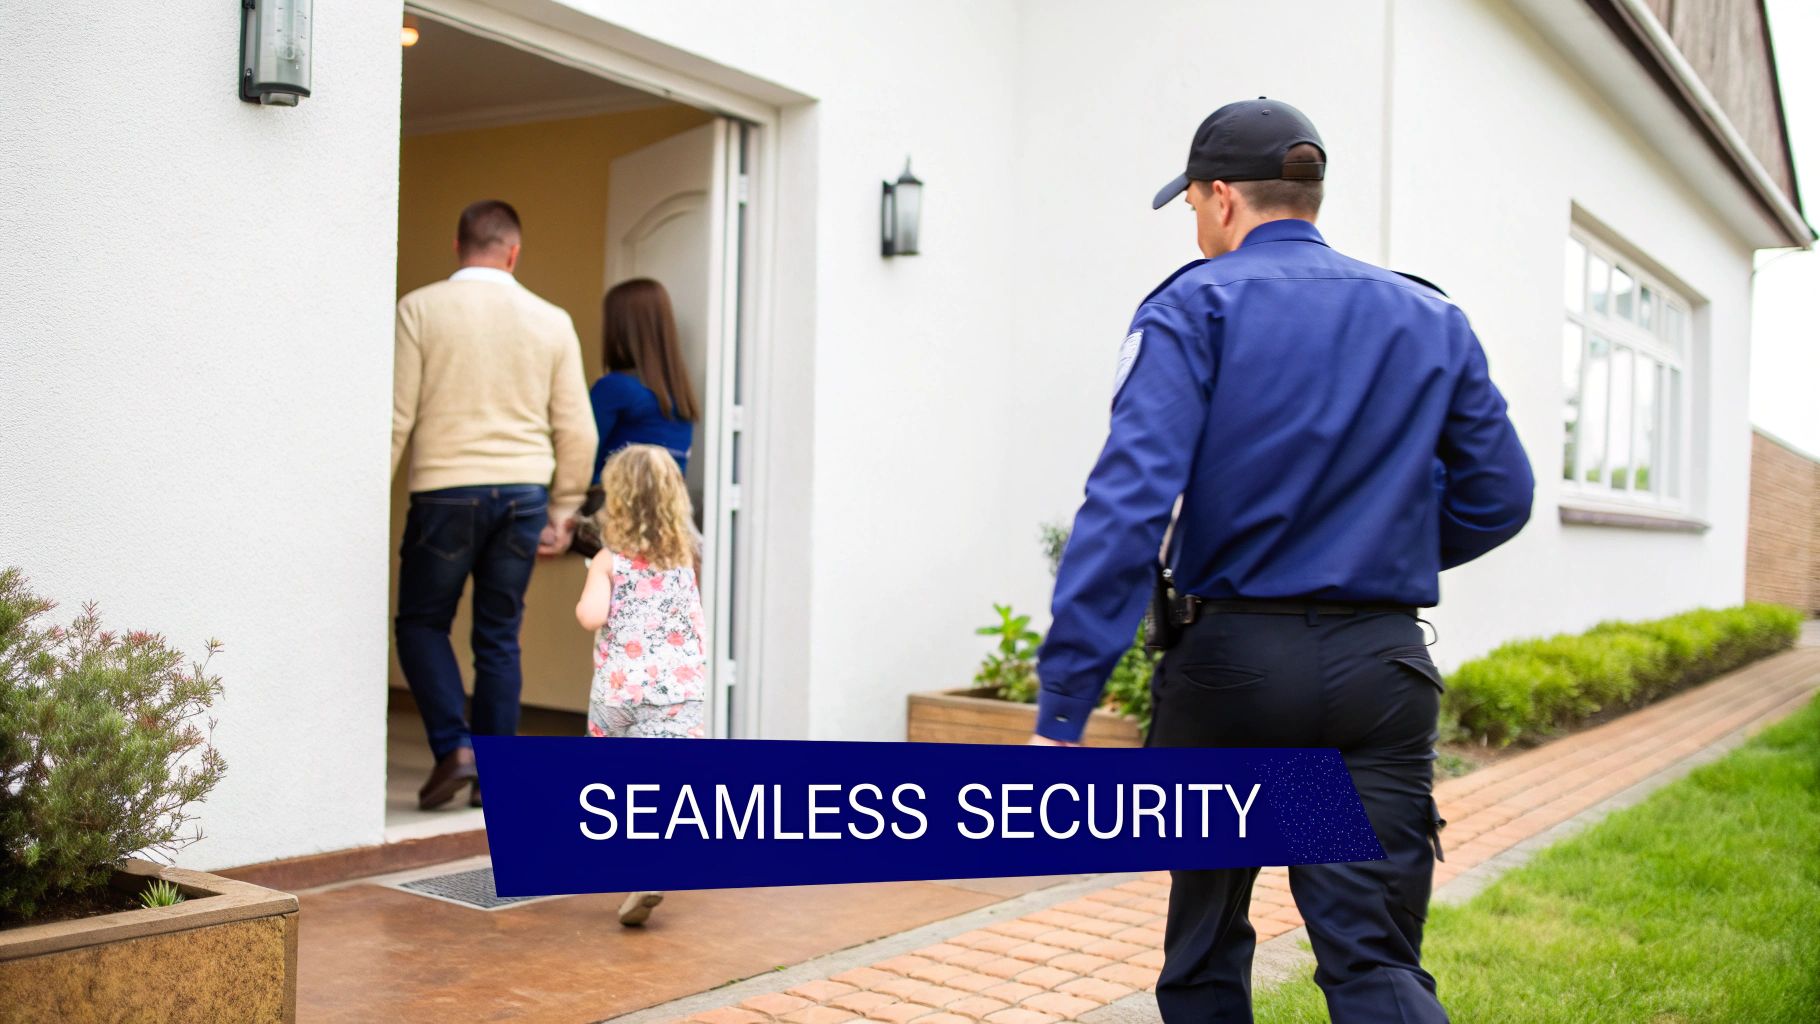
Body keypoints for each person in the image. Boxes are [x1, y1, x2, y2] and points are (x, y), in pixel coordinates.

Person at [1032, 99, 1533, 1023]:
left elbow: (1129, 507)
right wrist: (1382, 550)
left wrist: (1062, 712)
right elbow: (1501, 497)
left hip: (1231, 676)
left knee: (1206, 946)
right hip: (1379, 674)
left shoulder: (1193, 307)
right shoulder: (1429, 317)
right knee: (1374, 958)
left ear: (1221, 197)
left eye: (1189, 205)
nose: (1196, 225)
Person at [392, 199, 598, 811]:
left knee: (422, 623)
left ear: (459, 247)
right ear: (513, 253)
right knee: (499, 637)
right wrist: (563, 512)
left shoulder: (419, 309)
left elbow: (396, 418)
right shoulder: (551, 320)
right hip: (523, 498)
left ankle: (455, 747)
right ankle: (499, 779)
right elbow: (579, 432)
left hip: (444, 493)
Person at [574, 444, 709, 926]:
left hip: (620, 691)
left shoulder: (609, 560)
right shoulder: (685, 558)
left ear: (618, 500)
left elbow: (591, 616)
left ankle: (634, 863)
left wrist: (590, 589)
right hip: (679, 690)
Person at [591, 279, 698, 479]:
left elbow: (578, 456)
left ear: (619, 328)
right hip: (667, 509)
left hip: (614, 506)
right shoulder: (681, 397)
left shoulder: (615, 388)